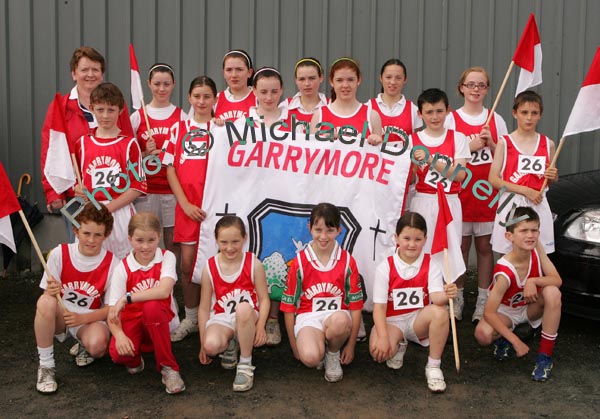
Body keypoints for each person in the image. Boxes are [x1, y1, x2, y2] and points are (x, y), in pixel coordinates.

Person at [40, 46, 133, 242]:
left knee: (116, 245)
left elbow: (127, 145)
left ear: (101, 73)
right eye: (84, 70)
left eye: (95, 69)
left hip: (114, 195)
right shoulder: (61, 107)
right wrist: (52, 191)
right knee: (84, 246)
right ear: (74, 74)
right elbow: (50, 151)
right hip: (78, 194)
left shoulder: (116, 103)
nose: (90, 74)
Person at [444, 67, 509, 323]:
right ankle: (458, 296)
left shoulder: (496, 119)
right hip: (460, 193)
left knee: (484, 247)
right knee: (460, 247)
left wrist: (492, 144)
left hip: (485, 193)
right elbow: (444, 154)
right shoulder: (451, 119)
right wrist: (469, 147)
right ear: (461, 87)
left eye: (481, 85)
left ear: (487, 89)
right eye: (470, 84)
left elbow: (505, 159)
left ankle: (483, 298)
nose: (475, 89)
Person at [34, 203, 119, 394]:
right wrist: (50, 291)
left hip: (89, 319)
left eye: (98, 235)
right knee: (45, 302)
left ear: (106, 235)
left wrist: (82, 319)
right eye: (86, 233)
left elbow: (110, 309)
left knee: (98, 346)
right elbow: (45, 300)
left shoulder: (113, 263)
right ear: (75, 230)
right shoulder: (59, 254)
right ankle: (46, 366)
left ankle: (83, 344)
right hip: (62, 316)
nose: (91, 240)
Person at [370, 212, 457, 393]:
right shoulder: (385, 267)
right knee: (378, 353)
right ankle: (399, 342)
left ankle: (433, 366)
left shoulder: (431, 263)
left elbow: (436, 298)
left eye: (417, 239)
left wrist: (447, 293)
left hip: (418, 320)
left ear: (425, 239)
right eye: (406, 238)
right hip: (392, 322)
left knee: (441, 312)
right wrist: (384, 337)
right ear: (396, 238)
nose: (411, 244)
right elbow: (378, 307)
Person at [474, 207, 562, 382]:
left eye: (534, 230)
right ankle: (506, 337)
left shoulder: (537, 248)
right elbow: (489, 313)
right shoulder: (504, 270)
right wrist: (515, 341)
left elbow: (557, 280)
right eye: (523, 231)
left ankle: (544, 356)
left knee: (553, 292)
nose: (530, 235)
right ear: (509, 236)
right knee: (482, 334)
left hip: (530, 306)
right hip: (505, 313)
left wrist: (534, 281)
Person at [280, 203, 363, 383]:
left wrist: (351, 345)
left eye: (329, 230)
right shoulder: (299, 262)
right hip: (308, 316)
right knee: (310, 358)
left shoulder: (348, 261)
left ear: (339, 230)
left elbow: (356, 306)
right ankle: (319, 348)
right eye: (318, 230)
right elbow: (288, 307)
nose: (323, 236)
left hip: (336, 317)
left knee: (340, 321)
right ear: (309, 228)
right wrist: (295, 347)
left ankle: (333, 352)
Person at [106, 212, 185, 394]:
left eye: (151, 240)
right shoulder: (122, 268)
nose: (145, 246)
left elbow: (164, 290)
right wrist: (119, 336)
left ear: (159, 237)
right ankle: (136, 358)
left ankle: (168, 367)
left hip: (160, 319)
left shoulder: (167, 257)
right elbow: (112, 312)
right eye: (139, 240)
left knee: (152, 306)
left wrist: (127, 298)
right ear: (130, 239)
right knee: (118, 355)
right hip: (133, 321)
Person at [162, 76, 214, 341]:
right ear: (190, 99)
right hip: (187, 207)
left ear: (215, 99)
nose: (202, 101)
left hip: (215, 210)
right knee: (187, 265)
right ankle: (191, 317)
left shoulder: (224, 129)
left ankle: (215, 315)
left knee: (217, 263)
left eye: (207, 96)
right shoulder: (179, 129)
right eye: (197, 96)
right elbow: (170, 168)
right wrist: (183, 202)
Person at [74, 82, 146, 259]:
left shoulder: (128, 144)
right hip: (90, 212)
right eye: (100, 109)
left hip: (119, 212)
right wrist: (78, 188)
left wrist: (107, 208)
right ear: (91, 109)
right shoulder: (82, 143)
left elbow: (138, 187)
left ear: (120, 110)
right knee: (91, 259)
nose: (105, 115)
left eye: (111, 110)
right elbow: (79, 181)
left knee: (122, 262)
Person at [198, 216, 270, 392]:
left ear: (244, 239)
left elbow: (264, 299)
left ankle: (245, 363)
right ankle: (230, 343)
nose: (230, 248)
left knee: (243, 308)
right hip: (222, 318)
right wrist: (202, 343)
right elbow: (204, 308)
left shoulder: (254, 264)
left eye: (235, 241)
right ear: (216, 241)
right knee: (211, 346)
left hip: (247, 316)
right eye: (224, 242)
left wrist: (260, 326)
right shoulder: (210, 267)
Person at [409, 88, 469, 291]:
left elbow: (460, 174)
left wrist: (430, 160)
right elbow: (406, 177)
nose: (434, 117)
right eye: (429, 112)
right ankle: (423, 294)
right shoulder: (412, 140)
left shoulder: (458, 138)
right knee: (421, 247)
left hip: (450, 201)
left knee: (449, 249)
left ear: (447, 111)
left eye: (439, 111)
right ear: (420, 114)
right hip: (423, 200)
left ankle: (447, 298)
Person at [489, 91, 558, 255]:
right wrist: (525, 191)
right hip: (512, 203)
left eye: (534, 113)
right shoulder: (505, 142)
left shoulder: (548, 144)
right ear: (515, 113)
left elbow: (552, 179)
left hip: (538, 203)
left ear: (540, 115)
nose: (529, 118)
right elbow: (493, 179)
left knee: (539, 254)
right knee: (508, 254)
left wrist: (553, 176)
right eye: (524, 112)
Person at [130, 63, 185, 256]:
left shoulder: (182, 117)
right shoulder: (137, 117)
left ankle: (172, 281)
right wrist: (144, 153)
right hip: (146, 190)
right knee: (145, 237)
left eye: (166, 84)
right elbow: (126, 155)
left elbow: (186, 156)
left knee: (172, 240)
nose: (161, 89)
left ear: (173, 85)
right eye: (157, 84)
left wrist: (168, 153)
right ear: (148, 84)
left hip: (171, 190)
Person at [310, 57, 383, 146]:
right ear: (331, 81)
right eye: (339, 80)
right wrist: (323, 141)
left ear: (359, 80)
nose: (345, 85)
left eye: (350, 80)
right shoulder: (319, 115)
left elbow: (380, 156)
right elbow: (311, 154)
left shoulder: (372, 116)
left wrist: (375, 142)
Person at [367, 58, 422, 144]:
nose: (393, 82)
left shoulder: (414, 111)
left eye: (398, 78)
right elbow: (361, 141)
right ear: (381, 78)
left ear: (405, 80)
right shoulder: (367, 107)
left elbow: (417, 144)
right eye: (388, 77)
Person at [213, 49, 256, 123]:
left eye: (239, 69)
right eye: (229, 70)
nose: (234, 75)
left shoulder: (259, 99)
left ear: (249, 72)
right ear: (223, 73)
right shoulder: (215, 100)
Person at [283, 57, 329, 125]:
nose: (307, 84)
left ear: (321, 78)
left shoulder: (331, 106)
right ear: (296, 80)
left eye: (312, 78)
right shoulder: (285, 107)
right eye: (302, 79)